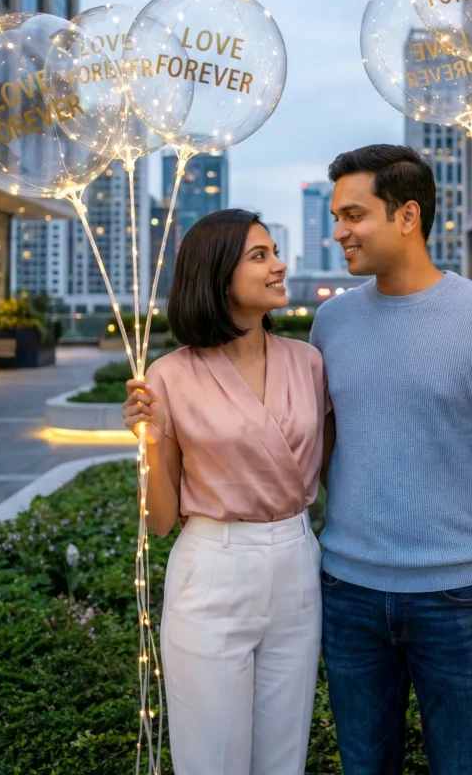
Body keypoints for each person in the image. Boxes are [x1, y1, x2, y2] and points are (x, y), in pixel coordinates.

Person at [309, 144, 472, 775]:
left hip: (457, 597)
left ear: (407, 216)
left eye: (352, 214)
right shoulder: (331, 322)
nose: (337, 231)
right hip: (348, 592)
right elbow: (311, 448)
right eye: (336, 215)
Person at [122, 209, 329, 775]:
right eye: (259, 256)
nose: (278, 264)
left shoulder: (309, 363)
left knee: (284, 759)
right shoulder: (167, 376)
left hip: (296, 564)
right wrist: (147, 441)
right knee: (210, 760)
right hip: (212, 569)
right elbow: (161, 520)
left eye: (274, 251)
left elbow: (334, 470)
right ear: (218, 276)